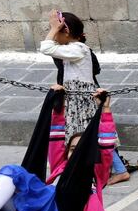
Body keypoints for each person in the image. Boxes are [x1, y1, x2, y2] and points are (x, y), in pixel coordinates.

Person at [39, 10, 98, 144]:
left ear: (65, 32)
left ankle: (118, 166)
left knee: (92, 137)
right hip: (75, 100)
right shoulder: (72, 48)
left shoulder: (78, 49)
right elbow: (51, 47)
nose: (53, 36)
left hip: (82, 102)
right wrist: (56, 28)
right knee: (83, 137)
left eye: (56, 32)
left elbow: (46, 48)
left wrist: (54, 28)